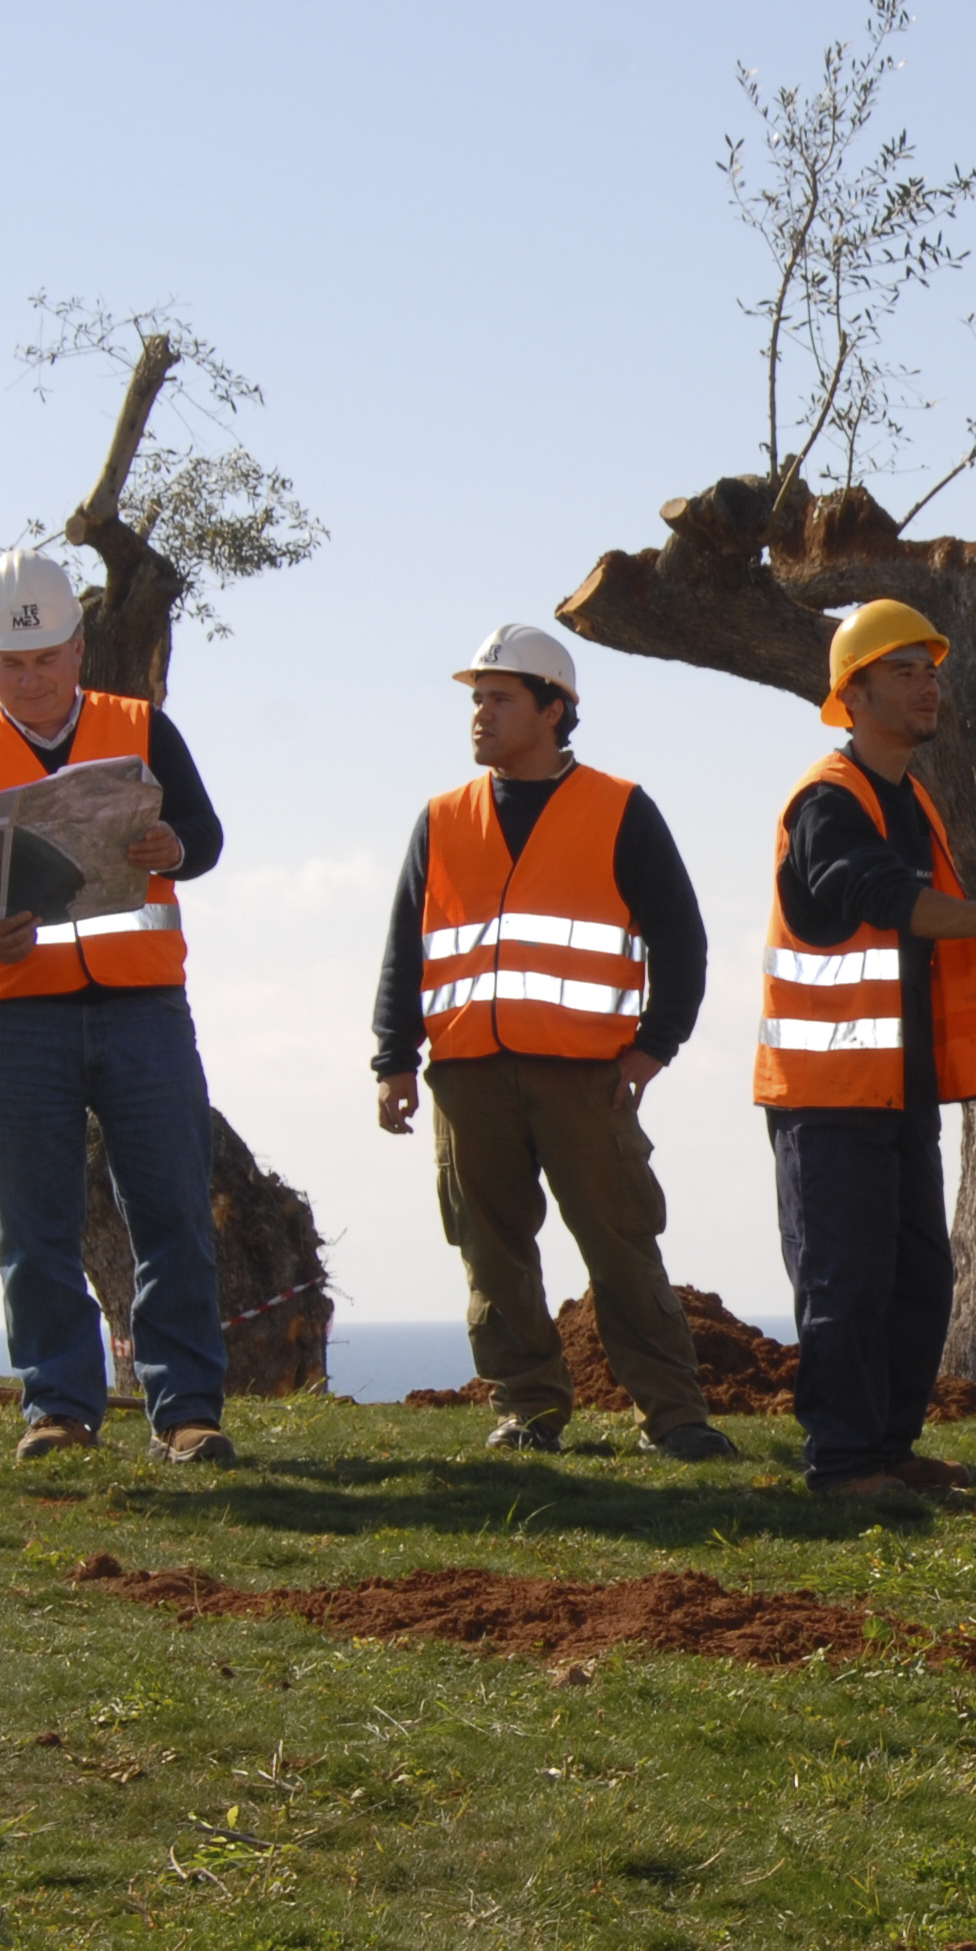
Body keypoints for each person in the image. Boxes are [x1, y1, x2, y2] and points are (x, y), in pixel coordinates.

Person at [0, 547, 233, 1465]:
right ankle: (58, 1409)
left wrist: (173, 845)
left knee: (170, 1209)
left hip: (143, 1010)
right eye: (11, 663)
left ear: (79, 647)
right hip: (14, 1017)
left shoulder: (142, 728)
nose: (31, 677)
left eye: (46, 657)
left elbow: (206, 837)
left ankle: (187, 1412)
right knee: (33, 1224)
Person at [373, 624, 730, 1460]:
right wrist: (393, 1058)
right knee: (490, 1252)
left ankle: (673, 1416)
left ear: (555, 708)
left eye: (499, 698)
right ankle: (528, 1409)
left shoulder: (620, 808)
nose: (479, 714)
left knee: (620, 1243)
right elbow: (404, 949)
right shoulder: (440, 820)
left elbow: (684, 941)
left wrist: (654, 1048)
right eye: (475, 699)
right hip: (466, 1075)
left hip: (587, 1078)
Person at [756, 600, 976, 1497]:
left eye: (930, 669)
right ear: (850, 695)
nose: (929, 684)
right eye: (904, 670)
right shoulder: (829, 801)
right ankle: (843, 1463)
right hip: (827, 1093)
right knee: (844, 1280)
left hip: (899, 1091)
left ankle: (888, 1449)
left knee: (916, 1282)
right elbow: (889, 902)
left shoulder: (911, 800)